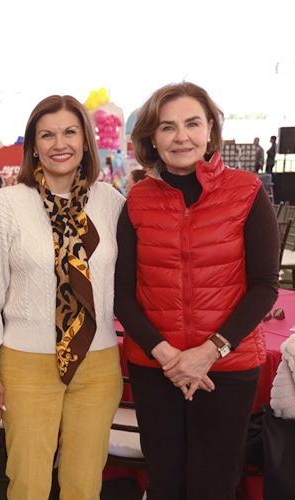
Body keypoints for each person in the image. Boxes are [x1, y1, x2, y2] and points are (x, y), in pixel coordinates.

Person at [114, 82, 279, 500]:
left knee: (213, 487)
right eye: (167, 127)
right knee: (165, 483)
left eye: (192, 124)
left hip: (227, 368)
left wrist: (208, 353)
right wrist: (169, 356)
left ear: (210, 130)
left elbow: (264, 287)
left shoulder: (246, 191)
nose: (181, 136)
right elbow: (122, 294)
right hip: (156, 367)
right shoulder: (136, 200)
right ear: (152, 137)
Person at [0, 95, 125, 499]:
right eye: (48, 134)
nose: (61, 143)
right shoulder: (7, 204)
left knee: (84, 484)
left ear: (86, 140)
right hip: (26, 365)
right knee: (28, 484)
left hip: (99, 362)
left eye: (70, 132)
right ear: (33, 145)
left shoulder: (110, 203)